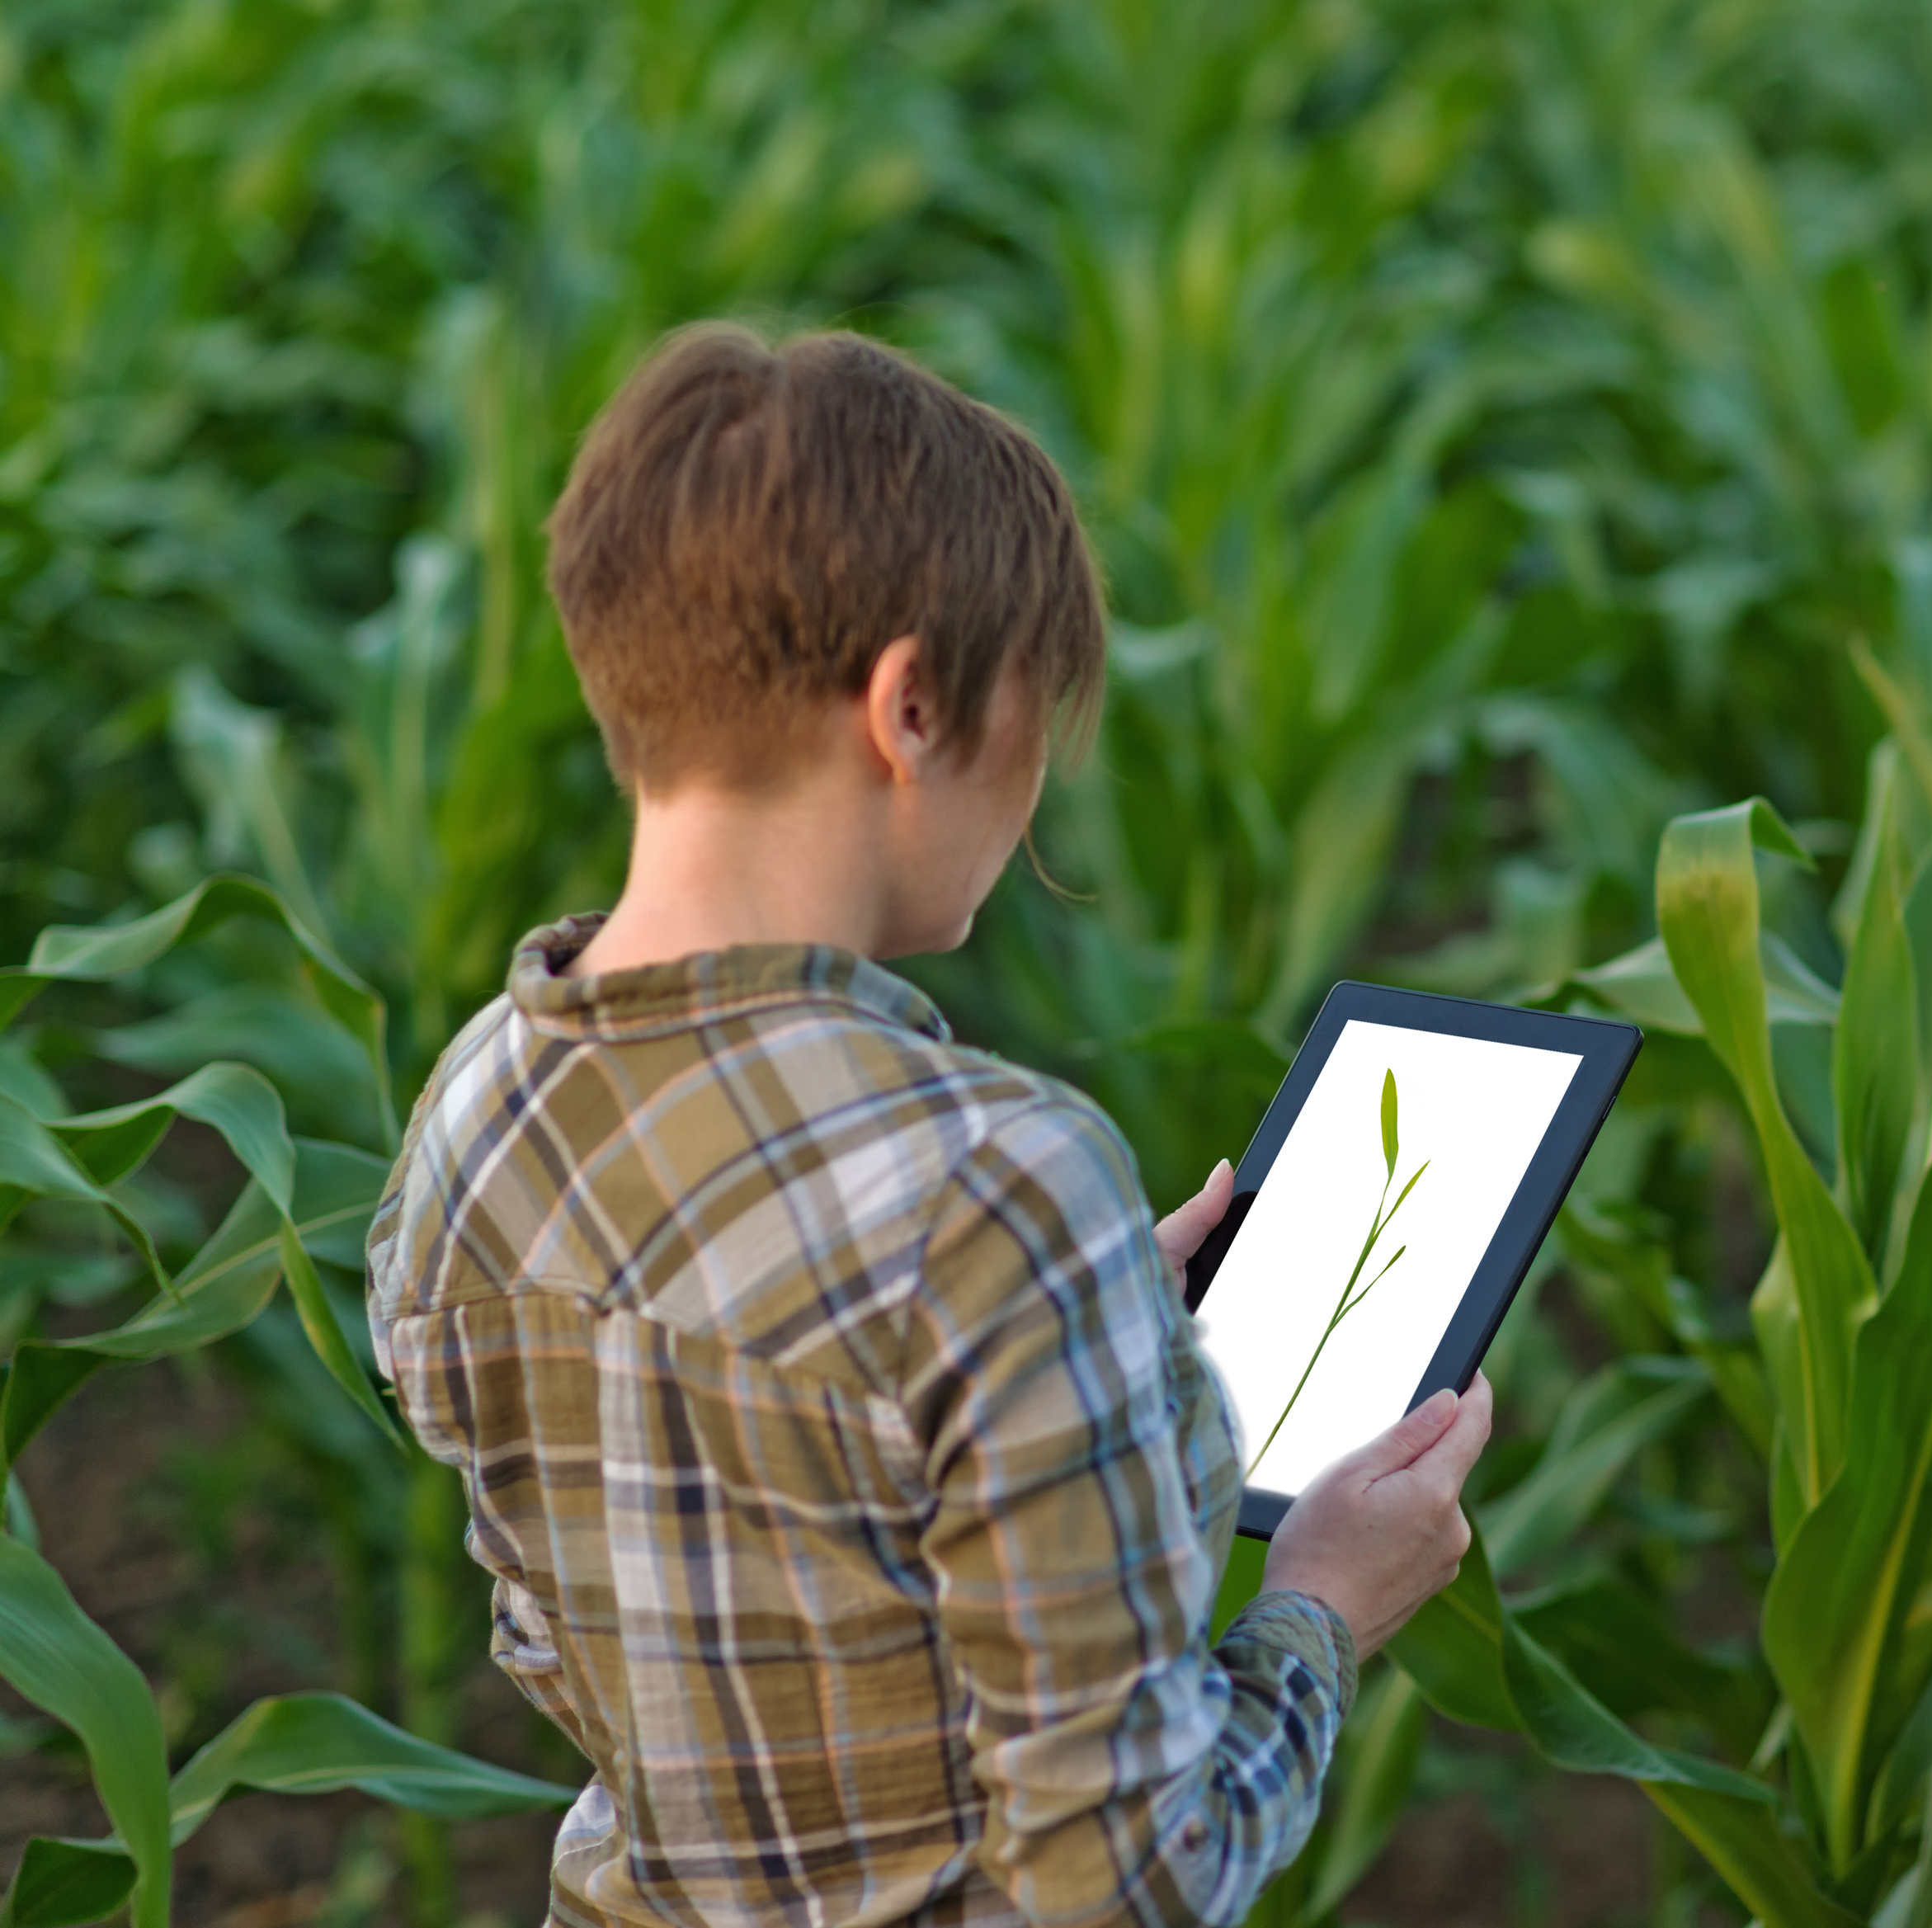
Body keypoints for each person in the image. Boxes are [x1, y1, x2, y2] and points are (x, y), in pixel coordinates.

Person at [365, 323, 1491, 1928]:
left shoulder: (471, 1104)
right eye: (1040, 710)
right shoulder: (994, 1188)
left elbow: (633, 1608)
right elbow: (1127, 1875)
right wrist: (1322, 1601)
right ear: (907, 704)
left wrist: (1071, 1339)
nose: (1037, 783)